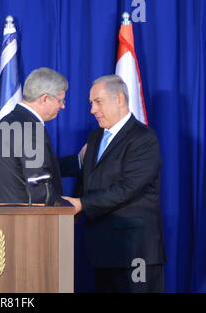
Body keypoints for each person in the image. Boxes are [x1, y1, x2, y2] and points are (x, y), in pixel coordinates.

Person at [63, 75, 166, 293]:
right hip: (102, 252)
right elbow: (87, 180)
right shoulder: (95, 137)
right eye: (91, 103)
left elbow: (128, 188)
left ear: (119, 99)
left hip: (135, 253)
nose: (92, 110)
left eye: (98, 102)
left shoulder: (143, 139)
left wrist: (81, 204)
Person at [0, 67, 80, 205]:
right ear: (44, 99)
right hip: (27, 220)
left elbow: (24, 169)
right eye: (60, 101)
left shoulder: (7, 121)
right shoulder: (30, 128)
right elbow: (38, 186)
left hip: (5, 215)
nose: (62, 106)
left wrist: (78, 161)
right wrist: (68, 206)